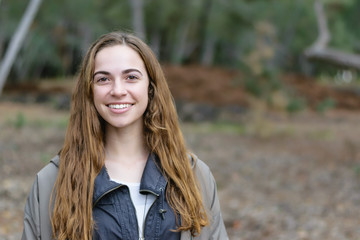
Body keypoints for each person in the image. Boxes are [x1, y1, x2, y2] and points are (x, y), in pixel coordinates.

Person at [22, 31, 228, 240]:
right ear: (89, 90)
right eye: (103, 79)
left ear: (150, 87)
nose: (118, 90)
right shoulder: (52, 182)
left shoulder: (194, 177)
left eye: (131, 77)